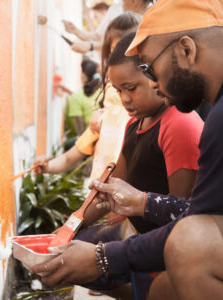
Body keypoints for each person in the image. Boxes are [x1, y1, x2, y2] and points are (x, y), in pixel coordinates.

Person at [32, 1, 223, 299]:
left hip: (180, 240)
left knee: (188, 243)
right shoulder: (206, 116)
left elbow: (193, 221)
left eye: (147, 66)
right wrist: (71, 230)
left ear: (186, 50)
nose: (155, 82)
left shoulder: (191, 122)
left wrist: (103, 257)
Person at [35, 13, 141, 175]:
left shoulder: (148, 127)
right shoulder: (102, 121)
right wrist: (46, 166)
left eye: (131, 88)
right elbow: (68, 158)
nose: (122, 61)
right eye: (115, 52)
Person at [65, 0, 153, 54]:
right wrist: (76, 31)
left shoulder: (151, 18)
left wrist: (91, 46)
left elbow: (122, 45)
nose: (122, 3)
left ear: (135, 1)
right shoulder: (115, 8)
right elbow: (98, 36)